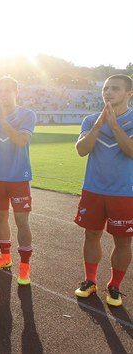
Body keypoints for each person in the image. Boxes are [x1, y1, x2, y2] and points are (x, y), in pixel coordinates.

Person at [73, 74, 133, 307]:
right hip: (93, 189)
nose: (108, 92)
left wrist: (114, 125)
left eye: (115, 89)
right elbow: (81, 149)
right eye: (106, 88)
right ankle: (90, 281)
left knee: (123, 242)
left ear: (129, 93)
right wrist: (99, 124)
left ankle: (115, 285)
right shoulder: (90, 120)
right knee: (91, 235)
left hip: (125, 192)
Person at [0, 76, 36, 285]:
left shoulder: (27, 115)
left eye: (7, 90)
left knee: (21, 221)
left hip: (18, 177)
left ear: (16, 92)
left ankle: (24, 267)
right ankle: (5, 257)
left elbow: (21, 141)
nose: (3, 94)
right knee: (0, 218)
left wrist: (2, 120)